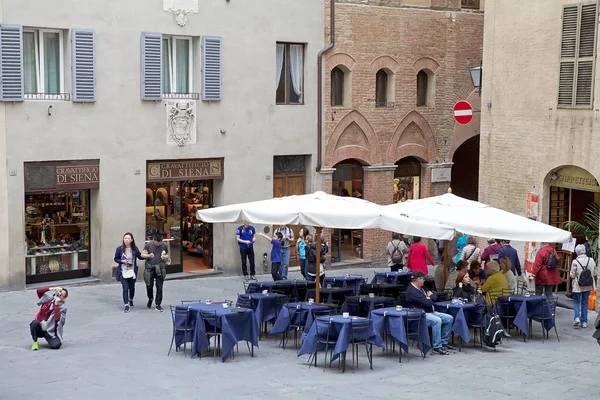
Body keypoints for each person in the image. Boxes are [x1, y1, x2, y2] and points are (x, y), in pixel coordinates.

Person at [406, 271, 455, 355]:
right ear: (419, 279)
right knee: (437, 321)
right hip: (420, 314)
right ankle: (437, 346)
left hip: (430, 311)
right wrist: (428, 298)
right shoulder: (412, 291)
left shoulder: (421, 287)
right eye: (423, 279)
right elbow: (427, 303)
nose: (424, 281)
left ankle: (444, 342)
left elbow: (434, 295)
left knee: (449, 318)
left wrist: (429, 297)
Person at [114, 232, 150, 313]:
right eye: (125, 238)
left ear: (131, 240)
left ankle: (131, 299)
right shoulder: (119, 249)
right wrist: (121, 261)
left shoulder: (134, 249)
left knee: (132, 287)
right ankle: (126, 305)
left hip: (132, 271)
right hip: (123, 271)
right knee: (125, 288)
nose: (126, 240)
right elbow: (116, 259)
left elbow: (139, 256)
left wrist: (147, 256)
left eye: (128, 238)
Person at [30, 286, 68, 350]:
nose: (58, 295)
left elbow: (57, 319)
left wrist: (56, 304)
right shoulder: (48, 298)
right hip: (40, 326)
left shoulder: (63, 308)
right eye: (59, 292)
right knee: (34, 323)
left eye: (61, 295)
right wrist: (53, 288)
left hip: (51, 329)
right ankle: (35, 342)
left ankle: (49, 337)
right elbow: (39, 291)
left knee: (56, 345)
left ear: (64, 298)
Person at [570, 244, 597, 328]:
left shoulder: (575, 262)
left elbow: (572, 275)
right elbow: (595, 273)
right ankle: (584, 322)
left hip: (578, 285)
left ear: (577, 252)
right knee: (585, 302)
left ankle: (577, 317)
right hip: (588, 285)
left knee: (576, 301)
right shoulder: (591, 260)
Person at [143, 232, 170, 312]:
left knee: (159, 287)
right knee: (149, 286)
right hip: (150, 268)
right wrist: (148, 255)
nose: (158, 244)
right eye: (156, 242)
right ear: (154, 240)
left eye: (159, 242)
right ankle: (150, 298)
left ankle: (158, 304)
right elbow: (143, 255)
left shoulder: (164, 245)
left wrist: (164, 256)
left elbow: (167, 255)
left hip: (160, 268)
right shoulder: (148, 245)